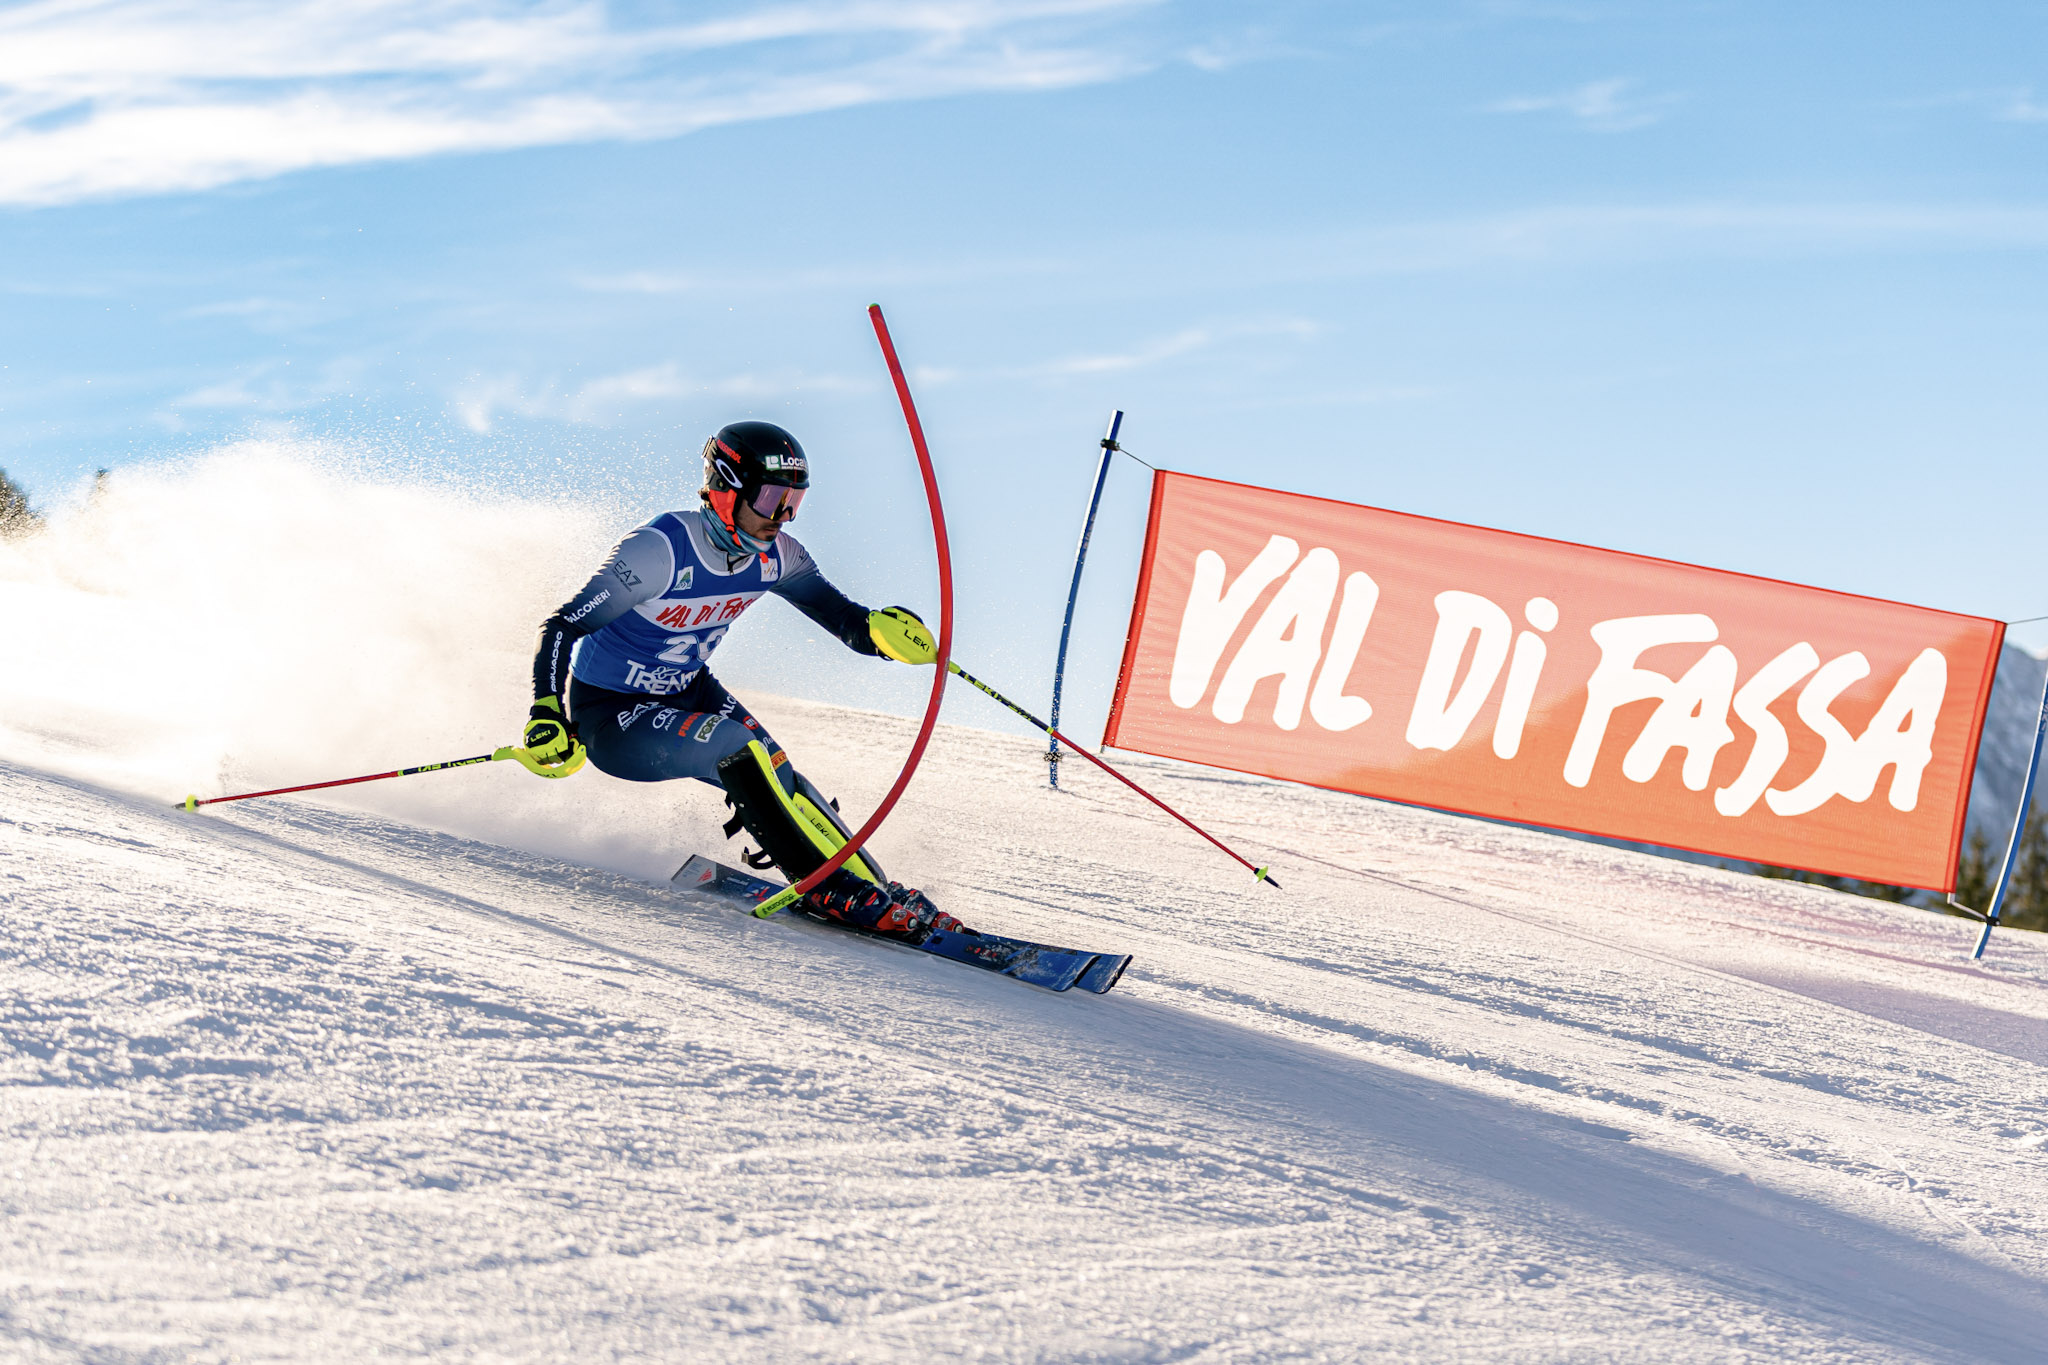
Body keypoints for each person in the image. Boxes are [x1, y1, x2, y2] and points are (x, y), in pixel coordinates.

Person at [517, 420, 963, 940]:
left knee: (779, 770)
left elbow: (845, 620)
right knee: (736, 745)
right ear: (726, 489)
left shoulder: (779, 556)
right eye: (772, 499)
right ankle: (824, 888)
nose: (782, 517)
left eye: (793, 502)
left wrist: (883, 635)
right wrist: (547, 710)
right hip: (611, 715)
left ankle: (875, 886)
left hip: (690, 690)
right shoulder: (659, 551)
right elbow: (563, 626)